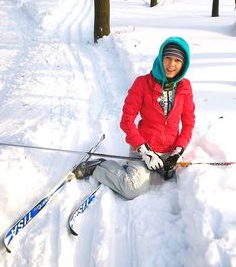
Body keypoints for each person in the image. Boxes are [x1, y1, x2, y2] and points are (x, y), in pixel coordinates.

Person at [74, 36, 195, 199]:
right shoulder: (142, 84)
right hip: (143, 149)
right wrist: (145, 151)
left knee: (170, 177)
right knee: (131, 189)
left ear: (183, 64)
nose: (171, 65)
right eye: (167, 58)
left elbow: (188, 124)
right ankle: (98, 166)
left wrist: (177, 153)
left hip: (168, 153)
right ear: (161, 58)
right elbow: (127, 121)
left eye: (177, 60)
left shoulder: (185, 87)